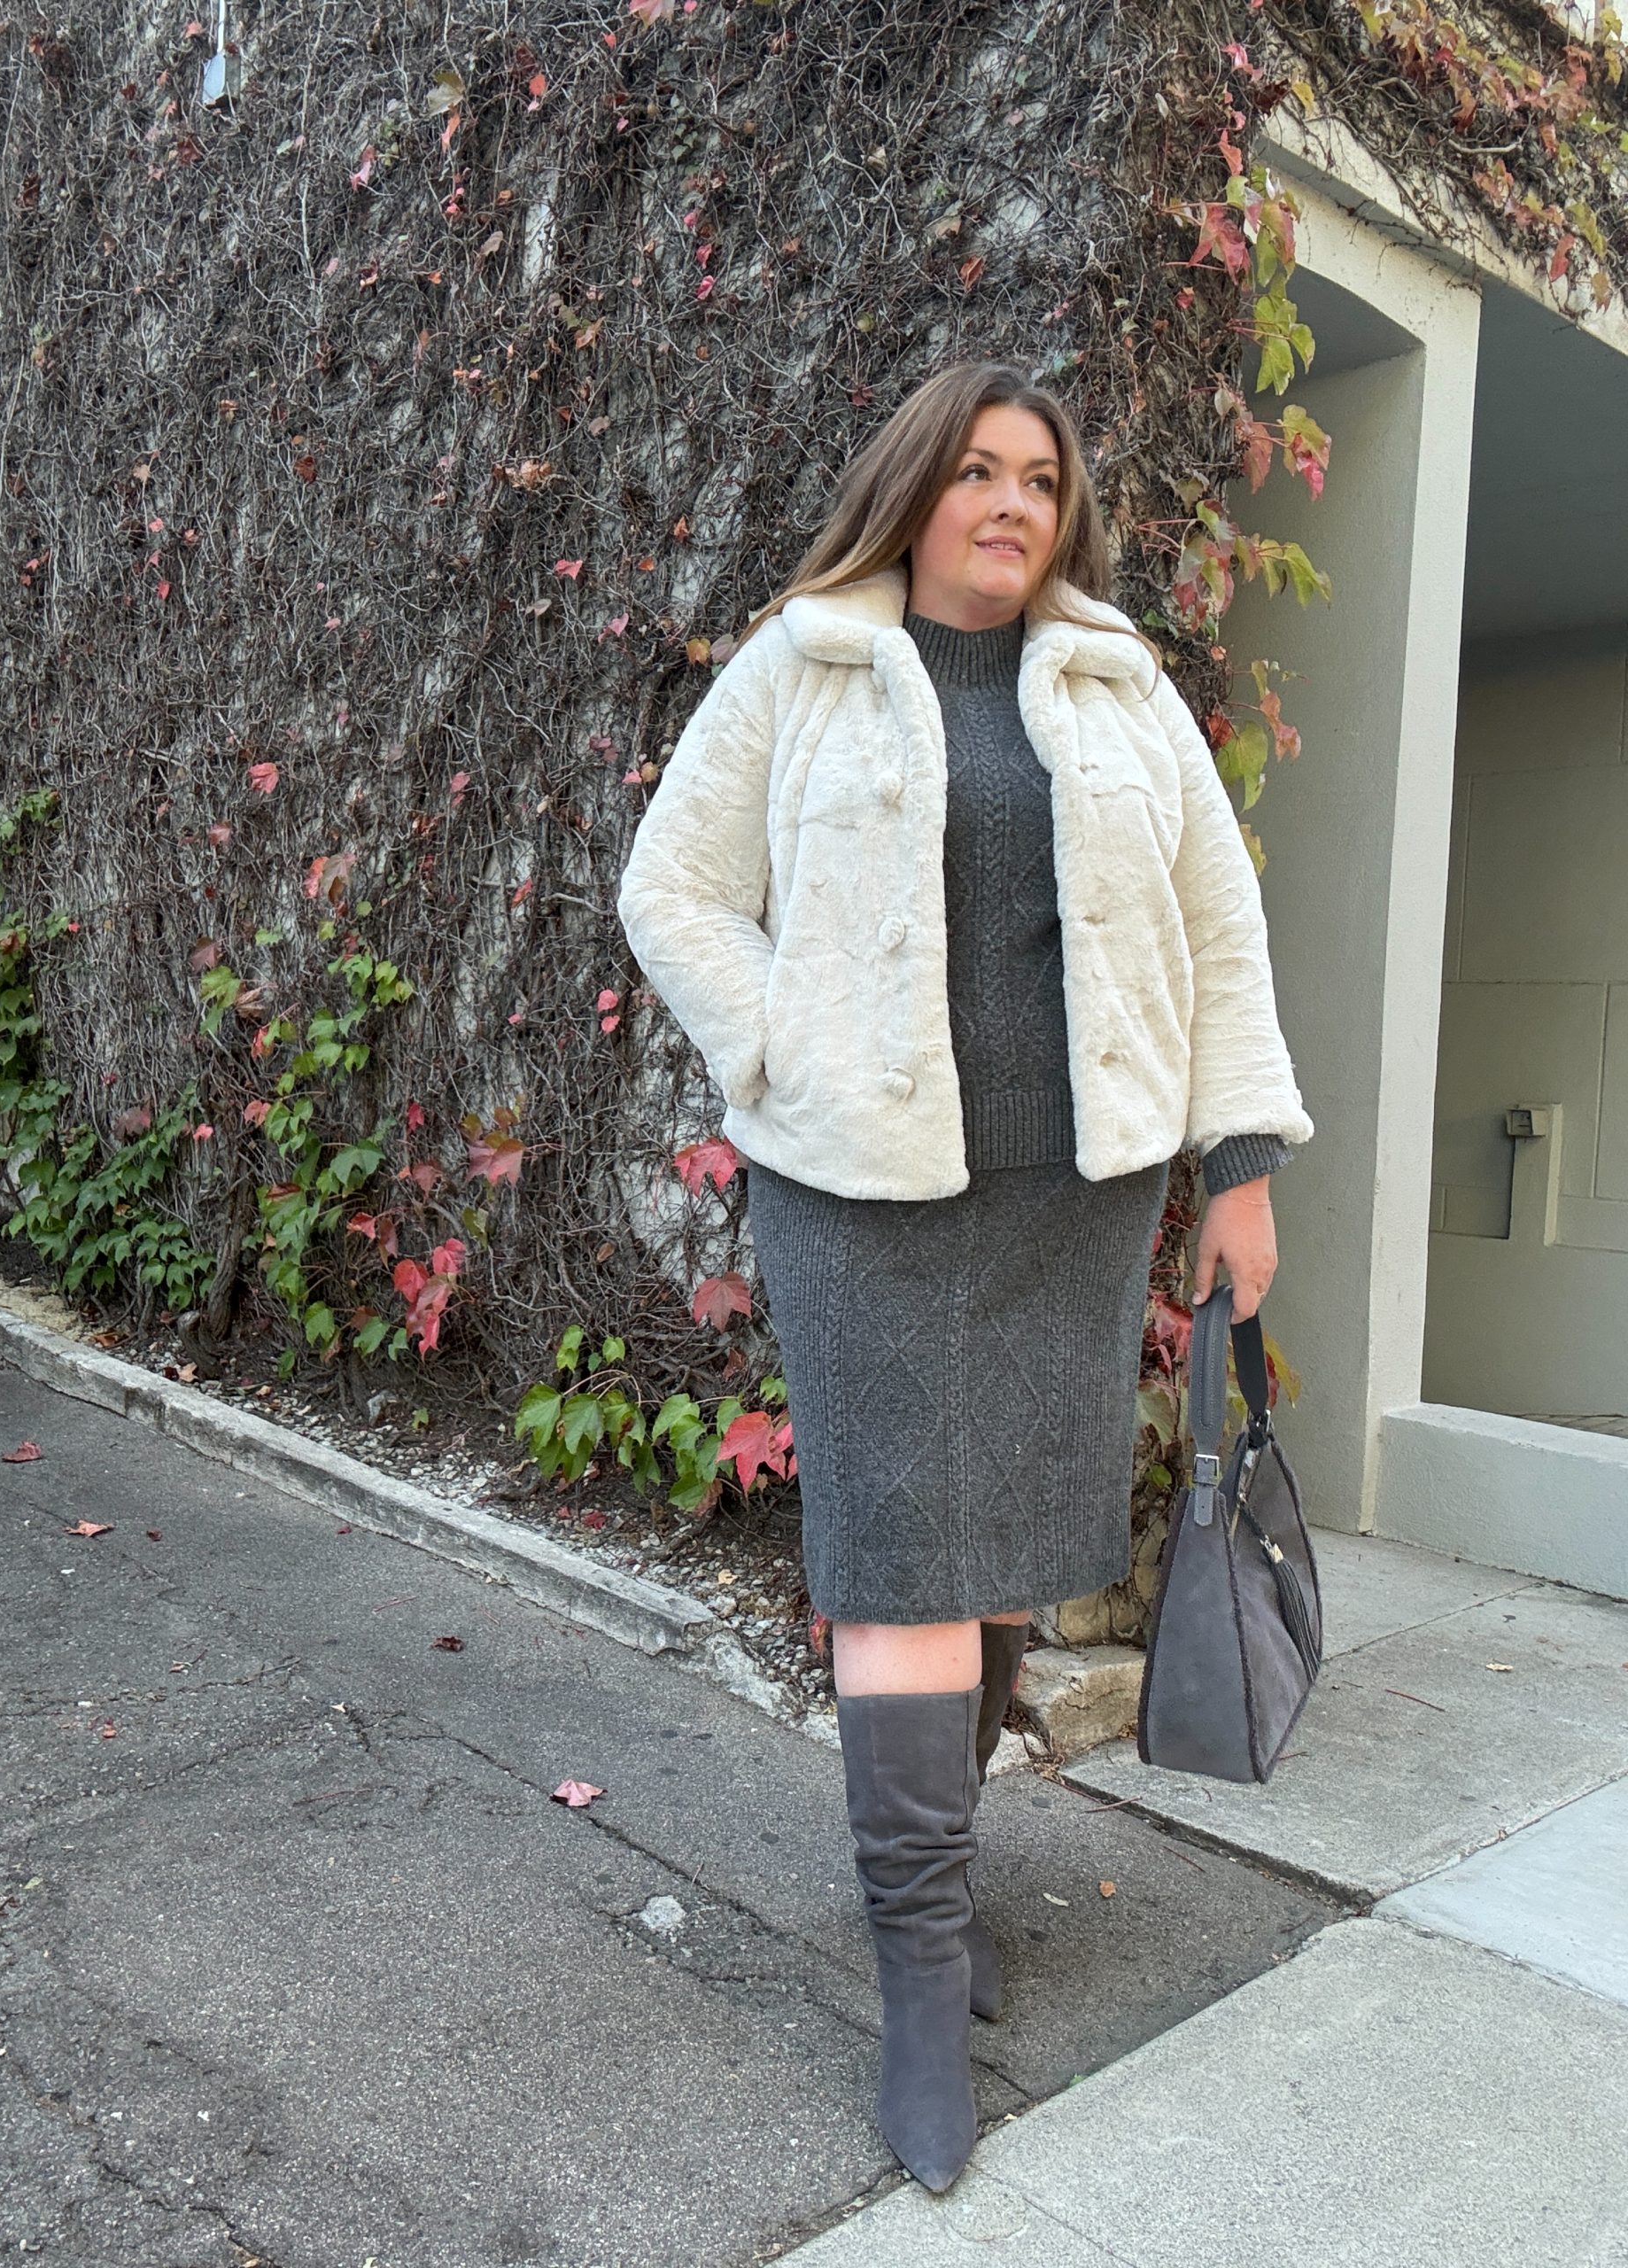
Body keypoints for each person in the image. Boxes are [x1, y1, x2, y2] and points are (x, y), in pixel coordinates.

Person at [616, 360, 1314, 2194]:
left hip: (1072, 1198)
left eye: (1041, 479)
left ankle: (942, 1896)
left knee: (1001, 1549)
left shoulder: (1116, 681)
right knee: (907, 1553)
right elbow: (673, 889)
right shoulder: (805, 666)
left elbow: (1218, 924)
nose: (1012, 503)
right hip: (864, 1195)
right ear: (916, 487)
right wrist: (784, 1051)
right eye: (980, 471)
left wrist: (1240, 1162)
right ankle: (922, 1974)